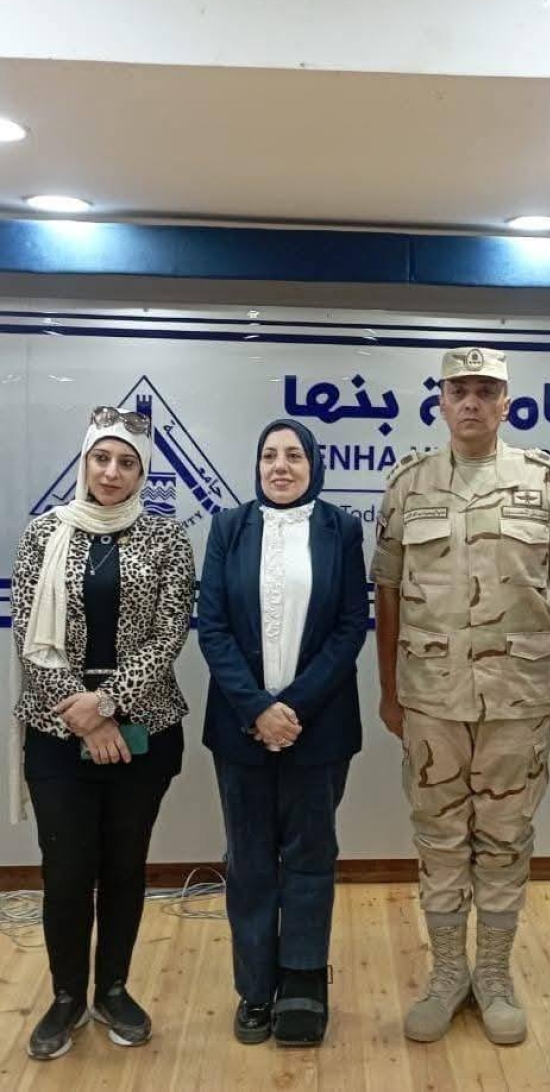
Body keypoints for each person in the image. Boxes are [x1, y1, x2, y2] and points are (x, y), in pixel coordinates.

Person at [372, 346, 550, 1046]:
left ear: (506, 403)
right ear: (440, 401)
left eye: (485, 391)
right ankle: (447, 975)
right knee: (438, 839)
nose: (471, 402)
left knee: (504, 838)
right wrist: (389, 691)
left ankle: (492, 975)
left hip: (517, 700)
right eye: (458, 390)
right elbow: (387, 592)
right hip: (431, 699)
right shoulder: (408, 483)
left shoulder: (543, 481)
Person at [10, 406, 195, 1060]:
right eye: (102, 458)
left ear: (142, 473)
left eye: (126, 462)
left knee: (123, 867)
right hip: (56, 731)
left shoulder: (167, 538)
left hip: (144, 729)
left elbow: (167, 635)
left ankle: (113, 989)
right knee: (66, 871)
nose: (112, 472)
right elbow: (28, 632)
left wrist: (109, 703)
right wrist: (84, 717)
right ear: (85, 461)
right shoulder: (44, 533)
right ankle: (66, 996)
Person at [198, 418, 368, 1047]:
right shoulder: (228, 527)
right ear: (257, 465)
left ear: (313, 465)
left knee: (310, 857)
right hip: (240, 729)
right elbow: (212, 627)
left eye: (294, 455)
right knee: (248, 864)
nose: (280, 466)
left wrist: (291, 707)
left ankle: (302, 980)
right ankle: (254, 989)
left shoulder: (341, 528)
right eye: (269, 455)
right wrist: (257, 709)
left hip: (317, 729)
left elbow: (350, 626)